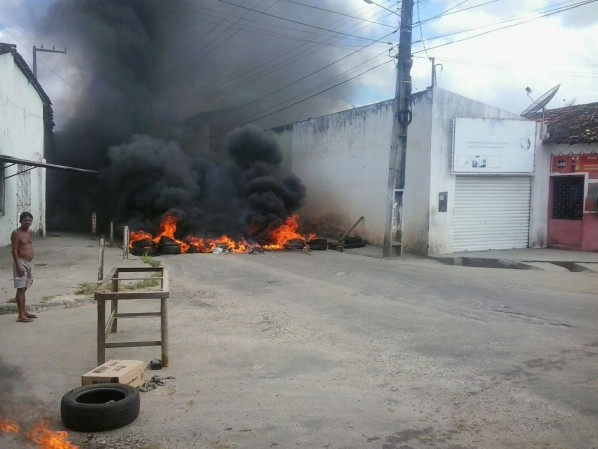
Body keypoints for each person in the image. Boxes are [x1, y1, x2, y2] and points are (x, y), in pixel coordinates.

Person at [11, 211, 37, 323]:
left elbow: (29, 246)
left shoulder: (30, 232)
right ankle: (20, 315)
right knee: (20, 288)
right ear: (20, 221)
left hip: (29, 262)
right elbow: (14, 250)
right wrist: (18, 266)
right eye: (25, 220)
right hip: (20, 262)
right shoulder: (16, 233)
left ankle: (24, 311)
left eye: (30, 220)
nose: (28, 222)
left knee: (25, 287)